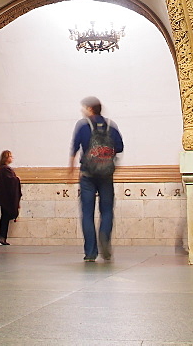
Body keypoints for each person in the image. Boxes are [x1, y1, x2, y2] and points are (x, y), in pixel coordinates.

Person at [69, 97, 124, 262]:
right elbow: (119, 147)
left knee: (87, 213)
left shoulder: (83, 126)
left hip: (87, 175)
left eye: (85, 108)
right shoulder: (111, 126)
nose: (83, 110)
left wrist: (70, 169)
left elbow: (74, 148)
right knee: (107, 211)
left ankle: (91, 252)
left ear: (90, 109)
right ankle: (105, 238)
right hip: (106, 175)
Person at [0, 150, 22, 245]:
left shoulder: (4, 169)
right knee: (5, 218)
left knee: (5, 218)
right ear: (6, 158)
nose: (12, 158)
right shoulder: (5, 169)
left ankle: (2, 237)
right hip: (6, 200)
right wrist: (17, 179)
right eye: (10, 156)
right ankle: (1, 237)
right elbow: (10, 182)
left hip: (5, 199)